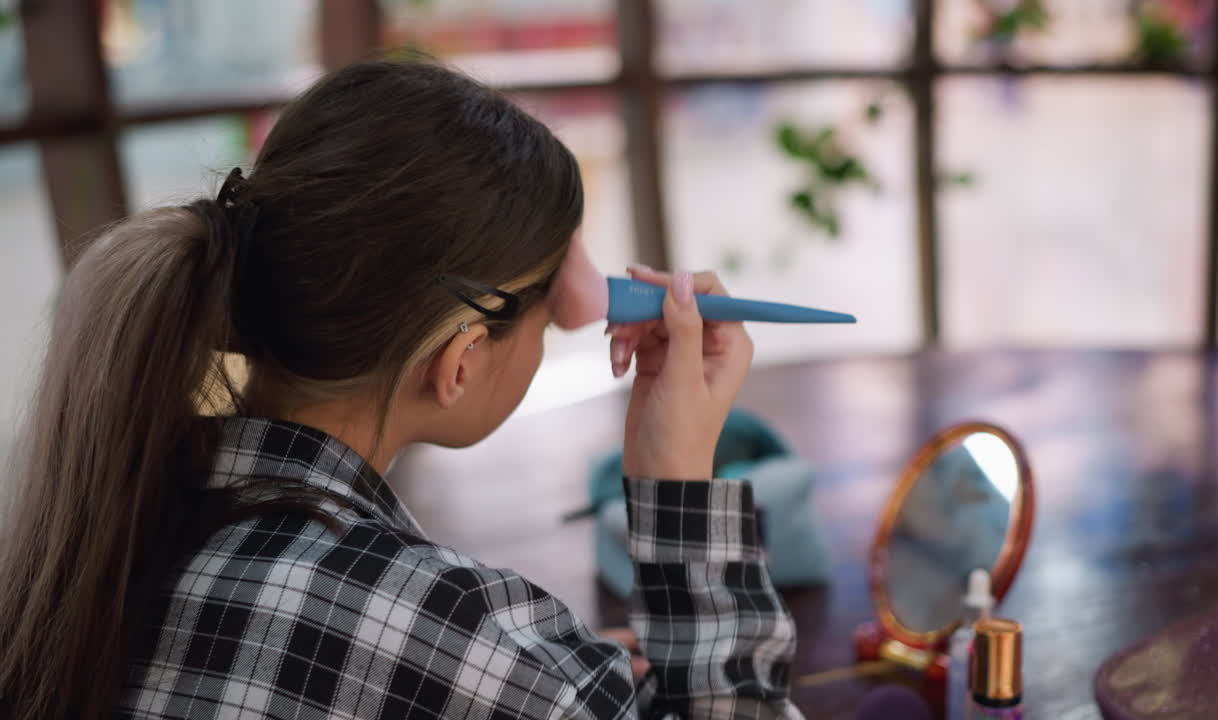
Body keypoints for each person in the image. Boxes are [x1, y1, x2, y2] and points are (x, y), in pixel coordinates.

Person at [0, 60, 802, 719]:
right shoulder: (465, 638)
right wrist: (677, 482)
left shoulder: (100, 527)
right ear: (459, 361)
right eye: (547, 312)